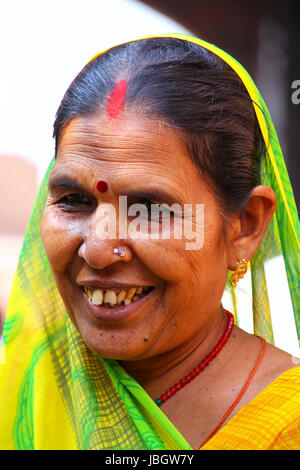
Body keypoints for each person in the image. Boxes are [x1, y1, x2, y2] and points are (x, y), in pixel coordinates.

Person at [0, 33, 299, 450]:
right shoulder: (18, 388)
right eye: (74, 201)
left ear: (244, 226)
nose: (99, 250)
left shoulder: (288, 428)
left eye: (149, 208)